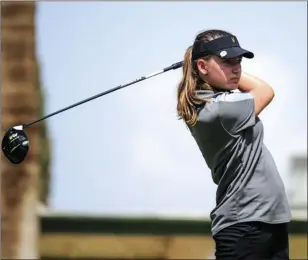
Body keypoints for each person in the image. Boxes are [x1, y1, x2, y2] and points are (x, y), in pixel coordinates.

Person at [176, 29, 291, 260]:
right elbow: (265, 91)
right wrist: (198, 62)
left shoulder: (215, 103)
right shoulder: (221, 108)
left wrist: (204, 65)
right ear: (202, 66)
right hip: (244, 225)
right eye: (227, 61)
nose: (236, 68)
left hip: (266, 220)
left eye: (238, 61)